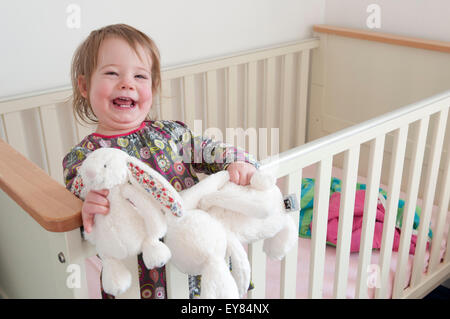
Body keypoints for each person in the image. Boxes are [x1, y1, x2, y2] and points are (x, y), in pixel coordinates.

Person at [62, 23, 259, 299]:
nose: (127, 83)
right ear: (84, 85)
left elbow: (210, 149)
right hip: (144, 277)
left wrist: (237, 163)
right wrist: (87, 203)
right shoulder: (86, 156)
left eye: (140, 76)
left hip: (196, 257)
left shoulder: (172, 134)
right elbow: (76, 191)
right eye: (111, 73)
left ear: (152, 87)